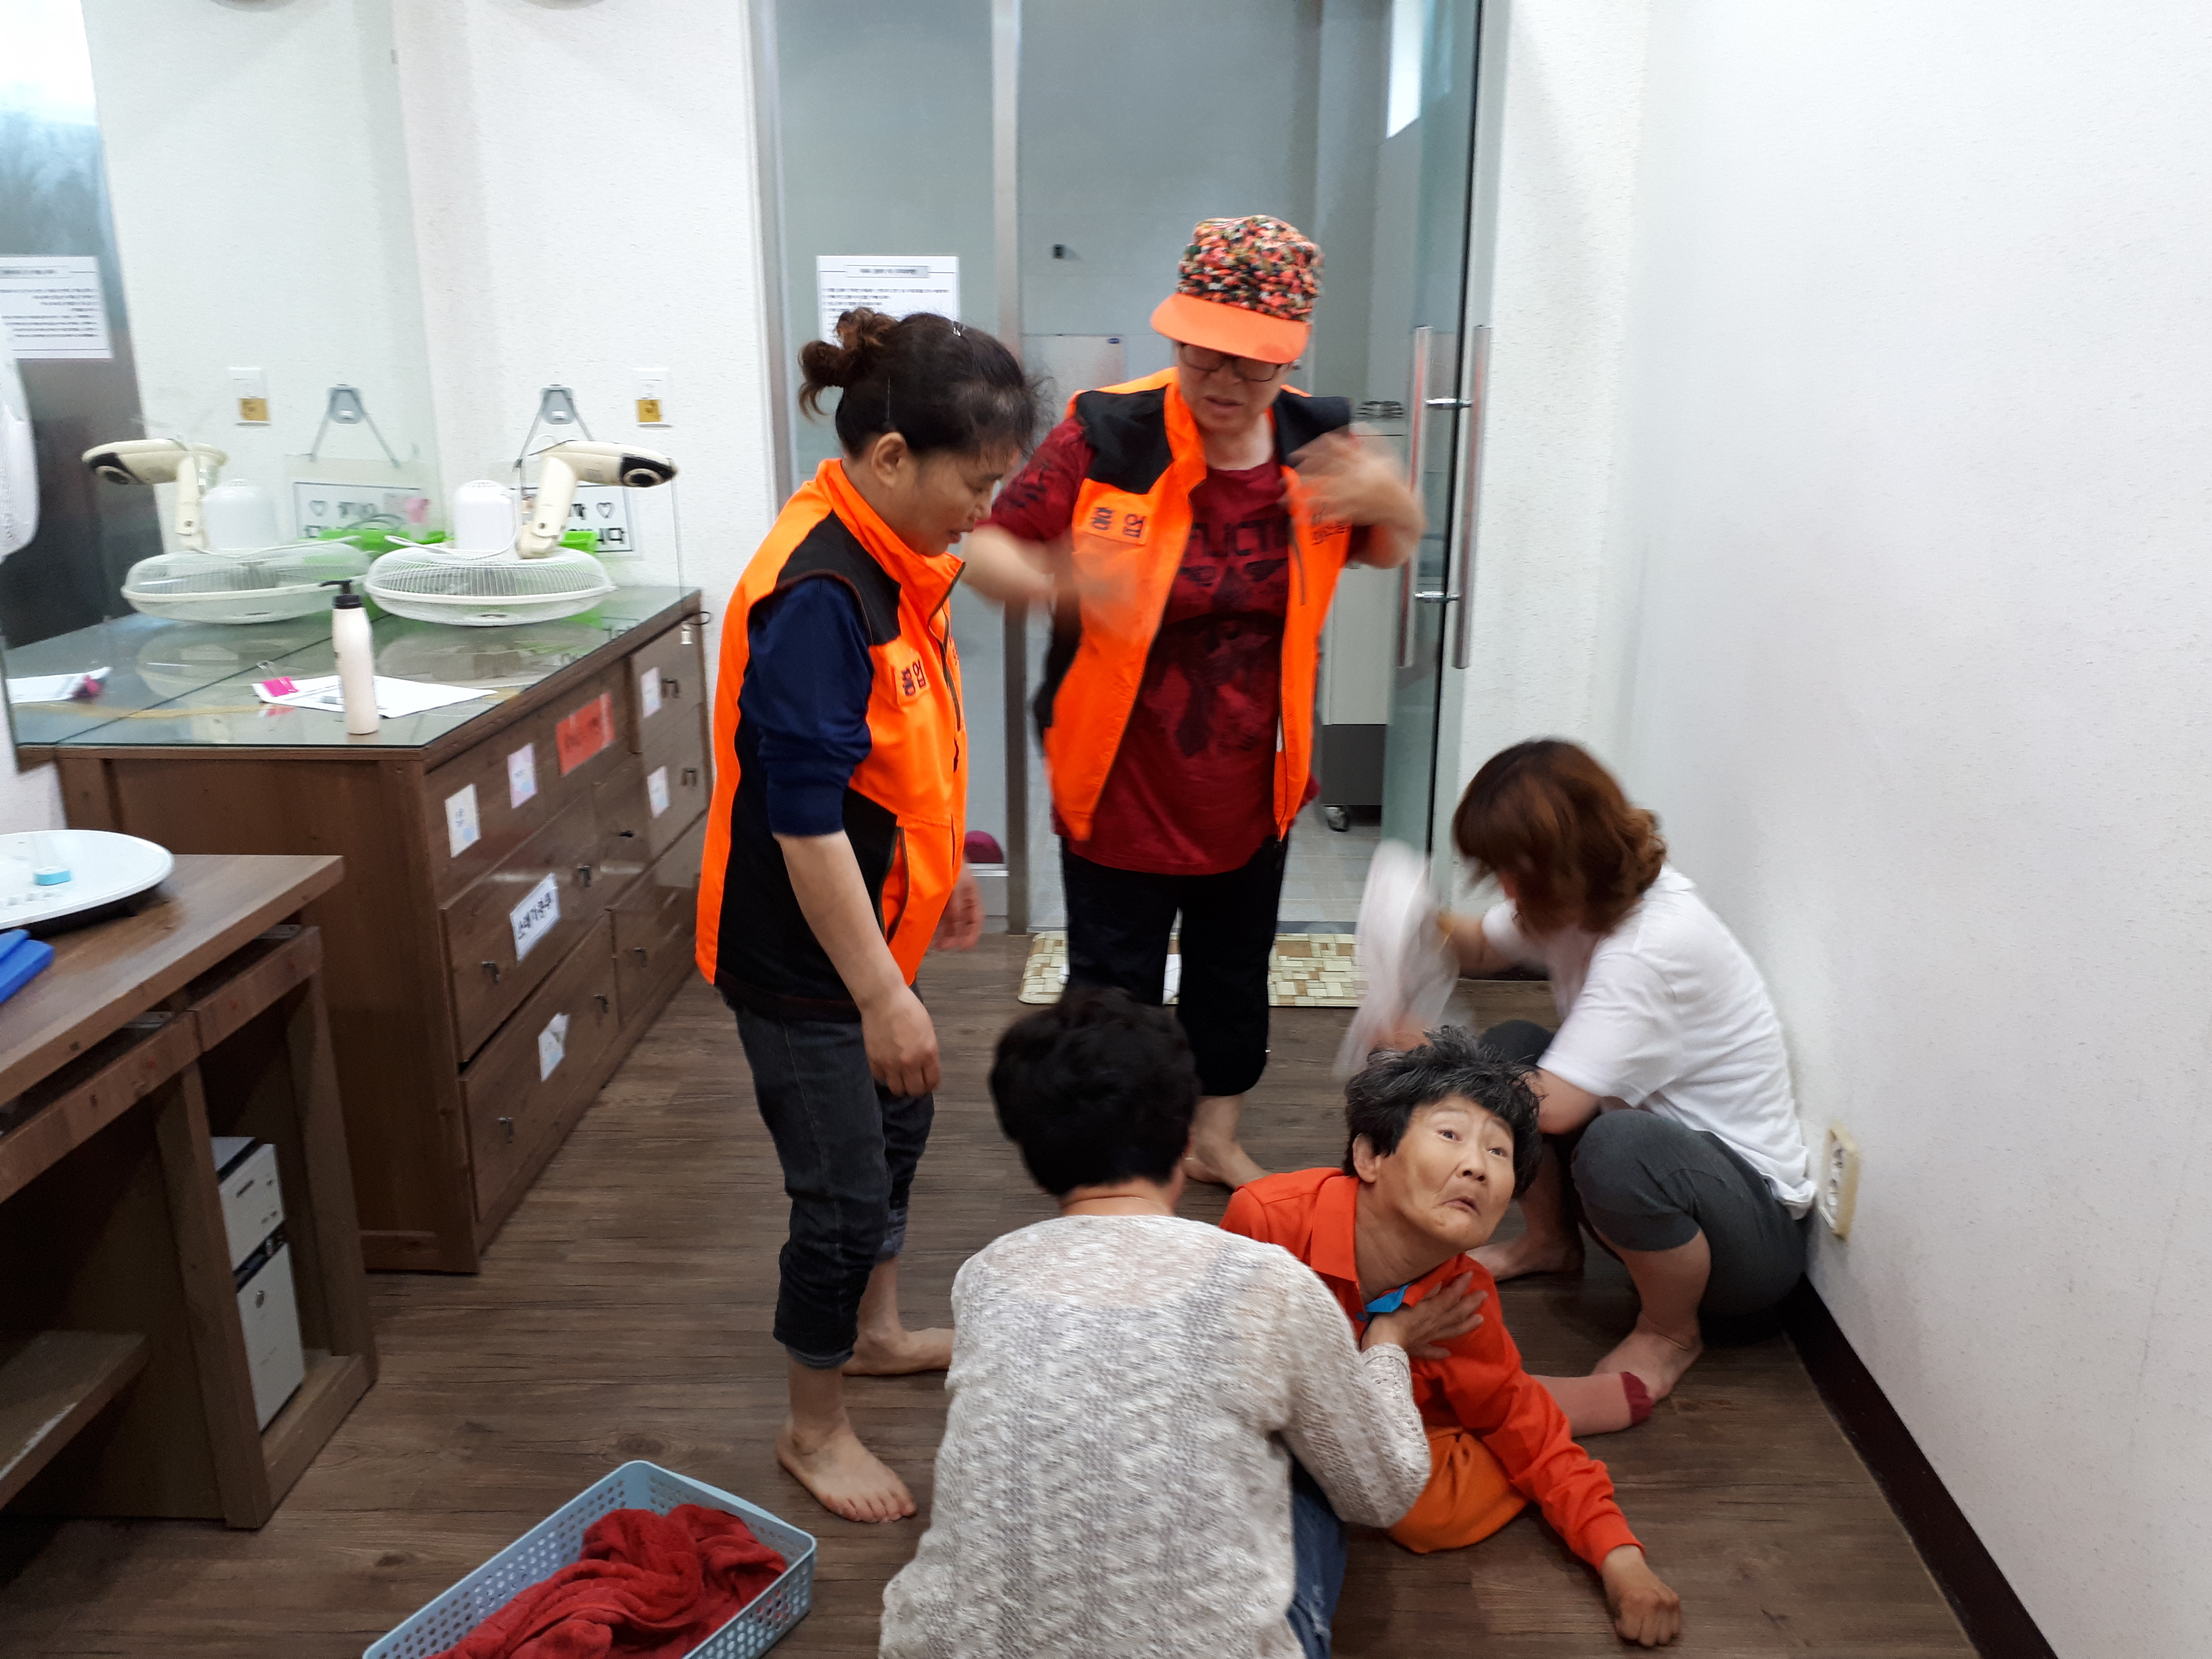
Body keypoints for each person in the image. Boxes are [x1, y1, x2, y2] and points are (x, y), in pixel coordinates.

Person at [966, 215, 1425, 1191]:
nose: (1220, 380)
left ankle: (1213, 1137)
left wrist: (1397, 498)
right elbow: (989, 546)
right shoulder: (1108, 430)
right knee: (1111, 988)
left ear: (1289, 355)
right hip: (1119, 780)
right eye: (1201, 352)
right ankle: (1117, 1165)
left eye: (1249, 363)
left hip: (1254, 783)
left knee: (1233, 974)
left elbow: (1388, 544)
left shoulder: (1317, 441)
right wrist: (1058, 580)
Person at [695, 309, 1049, 1525]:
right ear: (893, 456)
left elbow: (902, 754)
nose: (984, 512)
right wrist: (883, 995)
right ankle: (813, 1426)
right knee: (841, 1194)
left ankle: (879, 1333)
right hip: (804, 963)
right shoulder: (819, 593)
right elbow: (804, 826)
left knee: (899, 1128)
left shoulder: (894, 553)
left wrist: (943, 876)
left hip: (872, 935)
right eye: (976, 483)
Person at [880, 988, 1472, 1659]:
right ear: (1187, 1143)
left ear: (1036, 1166)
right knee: (1308, 1458)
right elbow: (1383, 1492)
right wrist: (1387, 1345)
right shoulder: (1267, 1283)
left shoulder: (985, 1276)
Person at [1224, 1029, 1684, 1649]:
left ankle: (1538, 1401)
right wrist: (1386, 1340)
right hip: (1304, 1406)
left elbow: (1525, 1435)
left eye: (1499, 1152)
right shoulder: (1267, 1221)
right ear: (1371, 1156)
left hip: (1412, 1410)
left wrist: (1621, 1560)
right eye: (1450, 1134)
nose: (1477, 1165)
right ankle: (1541, 1398)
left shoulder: (1464, 1297)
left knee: (1420, 1511)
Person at [1443, 738, 1815, 1418]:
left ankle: (1670, 1332)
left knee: (1612, 1144)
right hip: (1676, 1180)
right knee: (1510, 1049)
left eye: (1513, 871)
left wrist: (1428, 1055)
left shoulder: (1648, 947)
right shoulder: (1576, 902)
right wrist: (1407, 923)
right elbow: (1481, 946)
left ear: (1563, 866)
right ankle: (1549, 1244)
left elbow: (1556, 1109)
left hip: (1750, 1242)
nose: (1504, 889)